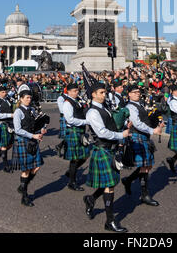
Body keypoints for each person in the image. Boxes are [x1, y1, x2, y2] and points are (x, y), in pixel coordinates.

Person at [84, 82, 131, 233]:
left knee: (109, 183)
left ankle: (91, 199)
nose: (105, 95)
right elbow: (102, 132)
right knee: (109, 185)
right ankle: (110, 221)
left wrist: (123, 125)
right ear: (93, 94)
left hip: (110, 149)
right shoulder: (92, 112)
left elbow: (111, 124)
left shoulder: (104, 108)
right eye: (101, 93)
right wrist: (120, 135)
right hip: (102, 149)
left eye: (105, 92)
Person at [122, 84, 164, 207]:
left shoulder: (139, 104)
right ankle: (144, 195)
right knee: (145, 166)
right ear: (129, 94)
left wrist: (155, 122)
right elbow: (137, 123)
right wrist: (153, 131)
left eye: (138, 91)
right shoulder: (130, 107)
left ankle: (128, 180)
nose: (137, 93)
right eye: (134, 92)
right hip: (137, 136)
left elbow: (145, 119)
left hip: (144, 137)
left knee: (147, 166)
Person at [11, 90, 46, 206]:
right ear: (21, 98)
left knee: (37, 167)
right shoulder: (18, 112)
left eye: (30, 98)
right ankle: (24, 197)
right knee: (26, 170)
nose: (29, 100)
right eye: (26, 98)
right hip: (23, 141)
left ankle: (23, 186)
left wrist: (41, 130)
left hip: (32, 141)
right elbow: (18, 130)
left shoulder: (31, 110)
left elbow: (36, 123)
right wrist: (33, 135)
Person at [63, 83, 91, 191]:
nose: (76, 92)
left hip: (80, 131)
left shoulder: (77, 101)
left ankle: (70, 172)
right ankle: (72, 182)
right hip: (73, 131)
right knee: (75, 159)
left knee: (85, 155)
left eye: (77, 91)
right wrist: (85, 121)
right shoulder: (67, 103)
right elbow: (70, 120)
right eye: (74, 91)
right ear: (68, 92)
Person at [0, 86, 14, 172]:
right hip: (2, 124)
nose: (5, 93)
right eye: (3, 92)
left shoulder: (7, 99)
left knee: (10, 144)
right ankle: (5, 166)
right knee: (4, 145)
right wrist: (10, 115)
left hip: (10, 124)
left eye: (5, 92)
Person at [55, 92, 67, 158]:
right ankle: (61, 148)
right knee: (67, 136)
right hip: (65, 117)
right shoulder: (61, 98)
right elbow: (62, 110)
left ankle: (59, 146)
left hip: (72, 116)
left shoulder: (73, 98)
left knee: (69, 136)